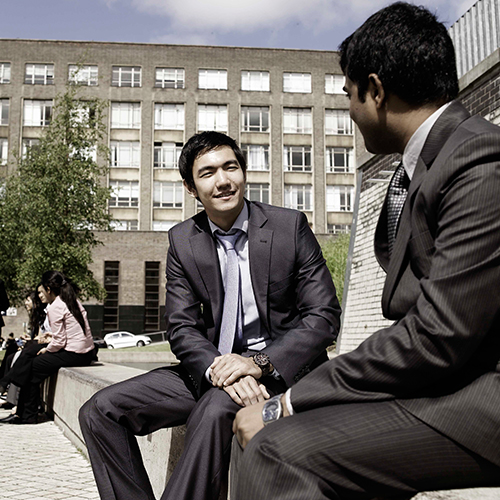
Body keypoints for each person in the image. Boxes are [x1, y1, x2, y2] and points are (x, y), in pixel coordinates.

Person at [233, 3, 500, 499]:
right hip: (451, 381)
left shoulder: (478, 159)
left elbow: (437, 335)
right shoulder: (430, 163)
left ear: (375, 90)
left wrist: (287, 401)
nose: (349, 112)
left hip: (483, 396)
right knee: (249, 429)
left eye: (349, 95)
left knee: (274, 445)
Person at [79, 131, 341, 500]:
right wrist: (220, 368)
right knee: (99, 411)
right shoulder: (183, 240)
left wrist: (258, 364)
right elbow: (181, 326)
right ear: (191, 188)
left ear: (243, 172)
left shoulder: (288, 227)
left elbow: (324, 316)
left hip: (279, 370)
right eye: (208, 173)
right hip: (214, 368)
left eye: (230, 167)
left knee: (215, 408)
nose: (223, 181)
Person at [0, 271, 95, 424]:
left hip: (74, 353)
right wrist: (49, 340)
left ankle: (26, 413)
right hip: (86, 353)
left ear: (48, 289)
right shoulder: (71, 300)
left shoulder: (55, 306)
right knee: (31, 353)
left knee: (32, 366)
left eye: (41, 290)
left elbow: (59, 342)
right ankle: (17, 403)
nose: (40, 294)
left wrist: (48, 349)